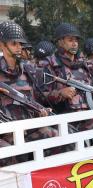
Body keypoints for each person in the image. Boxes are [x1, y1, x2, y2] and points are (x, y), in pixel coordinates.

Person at [0, 22, 57, 167]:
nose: (19, 47)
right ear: (2, 45)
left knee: (57, 137)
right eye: (14, 43)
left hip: (28, 129)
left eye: (21, 43)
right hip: (5, 134)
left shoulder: (28, 70)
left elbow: (34, 100)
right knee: (8, 153)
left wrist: (41, 111)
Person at [41, 23, 93, 119]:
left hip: (88, 116)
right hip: (64, 119)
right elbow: (41, 96)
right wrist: (60, 94)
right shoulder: (49, 63)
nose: (75, 44)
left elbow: (90, 91)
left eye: (76, 40)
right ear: (60, 42)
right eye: (70, 40)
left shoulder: (84, 65)